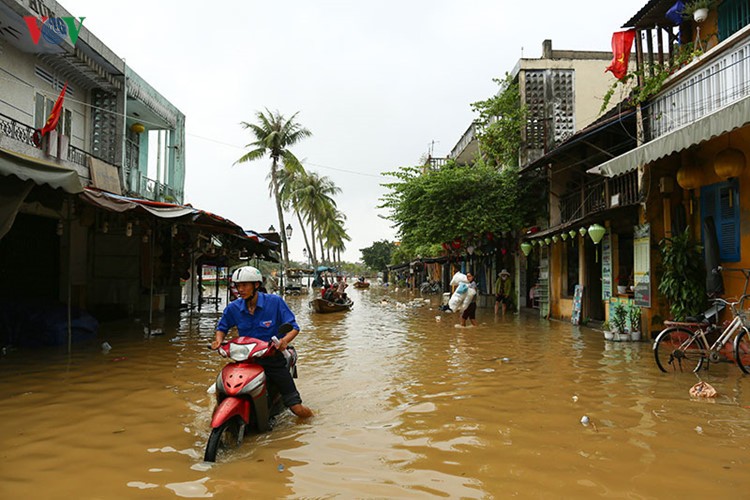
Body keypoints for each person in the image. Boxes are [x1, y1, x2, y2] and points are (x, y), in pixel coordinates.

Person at [211, 266, 313, 419]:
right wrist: (218, 342)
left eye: (245, 285)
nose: (241, 289)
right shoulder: (233, 308)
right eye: (238, 286)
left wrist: (284, 341)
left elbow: (293, 327)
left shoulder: (275, 302)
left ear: (256, 285)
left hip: (272, 359)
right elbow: (222, 327)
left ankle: (313, 418)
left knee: (296, 409)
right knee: (219, 396)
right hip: (245, 360)